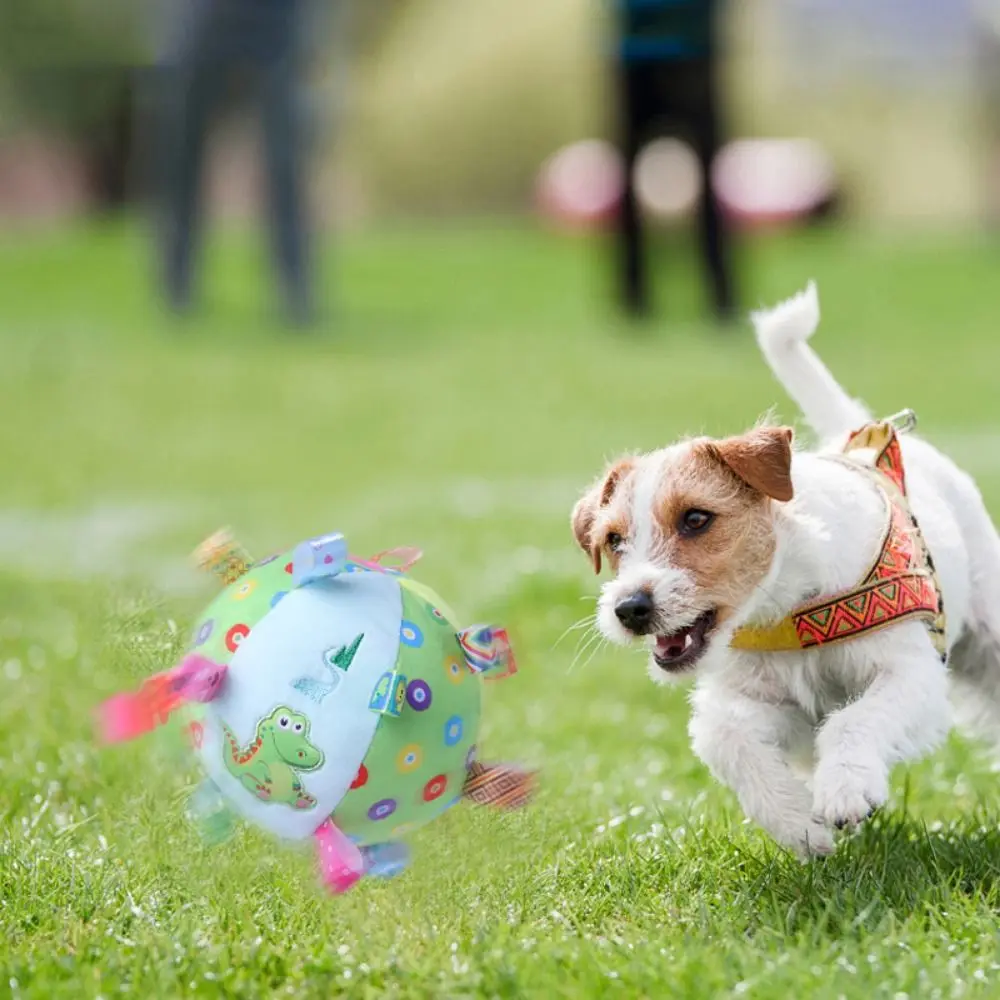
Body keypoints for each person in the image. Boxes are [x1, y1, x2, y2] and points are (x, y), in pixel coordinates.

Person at [154, 0, 314, 326]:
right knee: (182, 151)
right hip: (202, 19)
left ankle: (295, 291)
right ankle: (176, 285)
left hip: (274, 22)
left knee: (283, 162)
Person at [613, 0, 736, 321]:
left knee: (711, 177)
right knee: (627, 182)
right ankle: (633, 298)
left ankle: (721, 297)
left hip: (691, 45)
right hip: (640, 48)